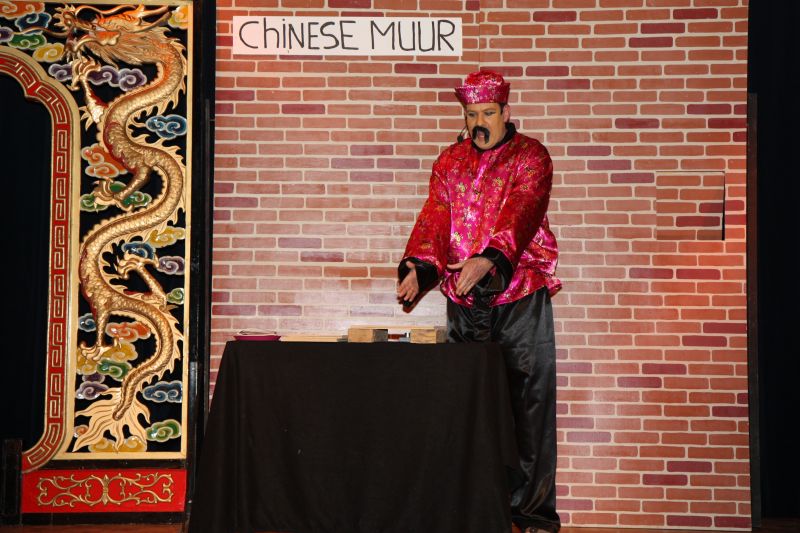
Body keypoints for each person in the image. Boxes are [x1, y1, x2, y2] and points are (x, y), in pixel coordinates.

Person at [397, 70, 561, 533]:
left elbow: (522, 212)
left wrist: (490, 259)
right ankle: (472, 509)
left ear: (505, 112)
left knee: (528, 407)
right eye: (472, 115)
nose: (480, 123)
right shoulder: (449, 162)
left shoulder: (531, 156)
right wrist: (420, 267)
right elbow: (435, 216)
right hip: (465, 301)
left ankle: (531, 513)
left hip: (519, 295)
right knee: (467, 407)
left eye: (488, 113)